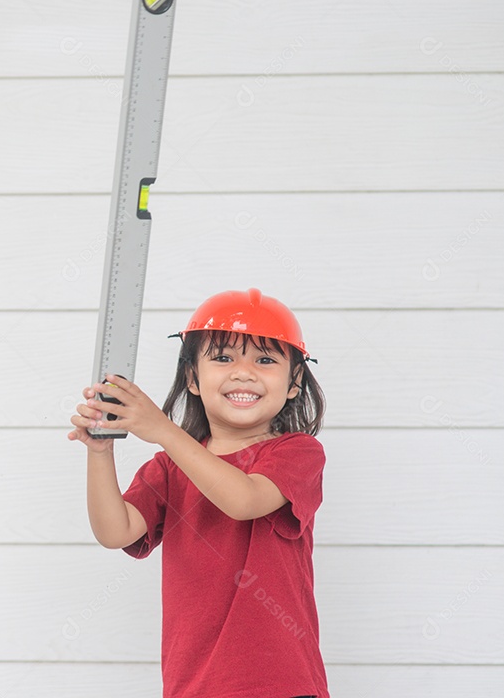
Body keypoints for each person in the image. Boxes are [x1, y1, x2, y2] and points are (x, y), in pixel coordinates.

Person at [68, 288, 329, 698]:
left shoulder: (296, 453)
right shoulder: (171, 468)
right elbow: (115, 532)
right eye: (223, 358)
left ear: (295, 382)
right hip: (191, 687)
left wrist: (162, 430)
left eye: (265, 359)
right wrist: (101, 452)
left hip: (280, 684)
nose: (243, 372)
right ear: (192, 377)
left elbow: (243, 500)